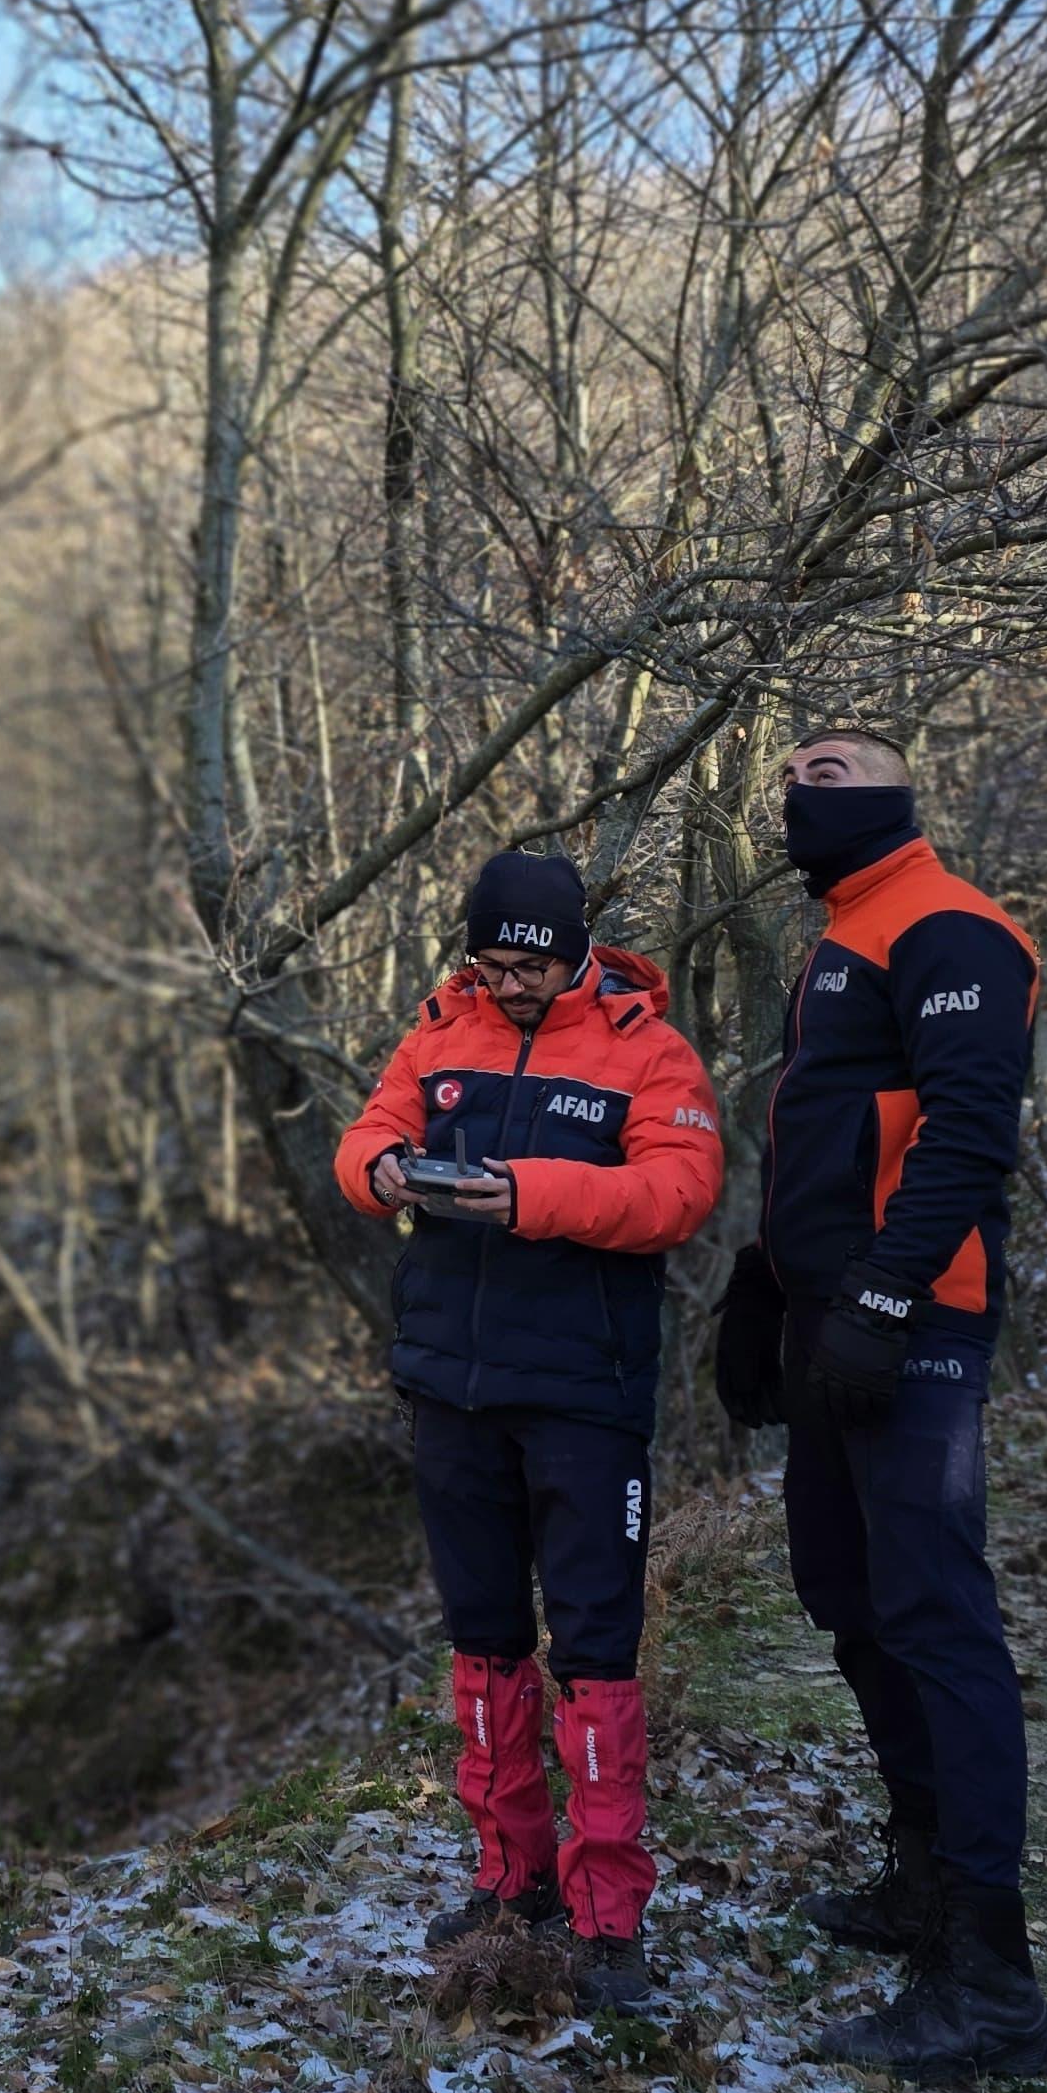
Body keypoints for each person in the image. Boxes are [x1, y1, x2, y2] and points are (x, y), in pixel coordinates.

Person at [712, 729, 1047, 2082]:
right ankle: (921, 1879)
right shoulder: (843, 934)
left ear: (901, 795)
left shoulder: (951, 927)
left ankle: (992, 1988)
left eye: (836, 772)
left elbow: (966, 1140)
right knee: (848, 1598)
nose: (803, 792)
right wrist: (767, 1282)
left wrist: (880, 1297)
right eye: (792, 776)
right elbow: (833, 1138)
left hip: (909, 1324)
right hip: (831, 1319)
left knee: (935, 1618)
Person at [333, 847, 724, 2012]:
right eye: (492, 963)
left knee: (594, 1651)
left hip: (582, 1396)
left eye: (530, 966)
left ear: (575, 953)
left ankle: (609, 1922)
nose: (508, 985)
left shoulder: (649, 1049)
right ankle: (513, 1878)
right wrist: (384, 1173)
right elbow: (362, 1138)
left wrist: (530, 1197)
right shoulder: (436, 1034)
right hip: (448, 1388)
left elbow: (679, 1193)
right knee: (484, 1641)